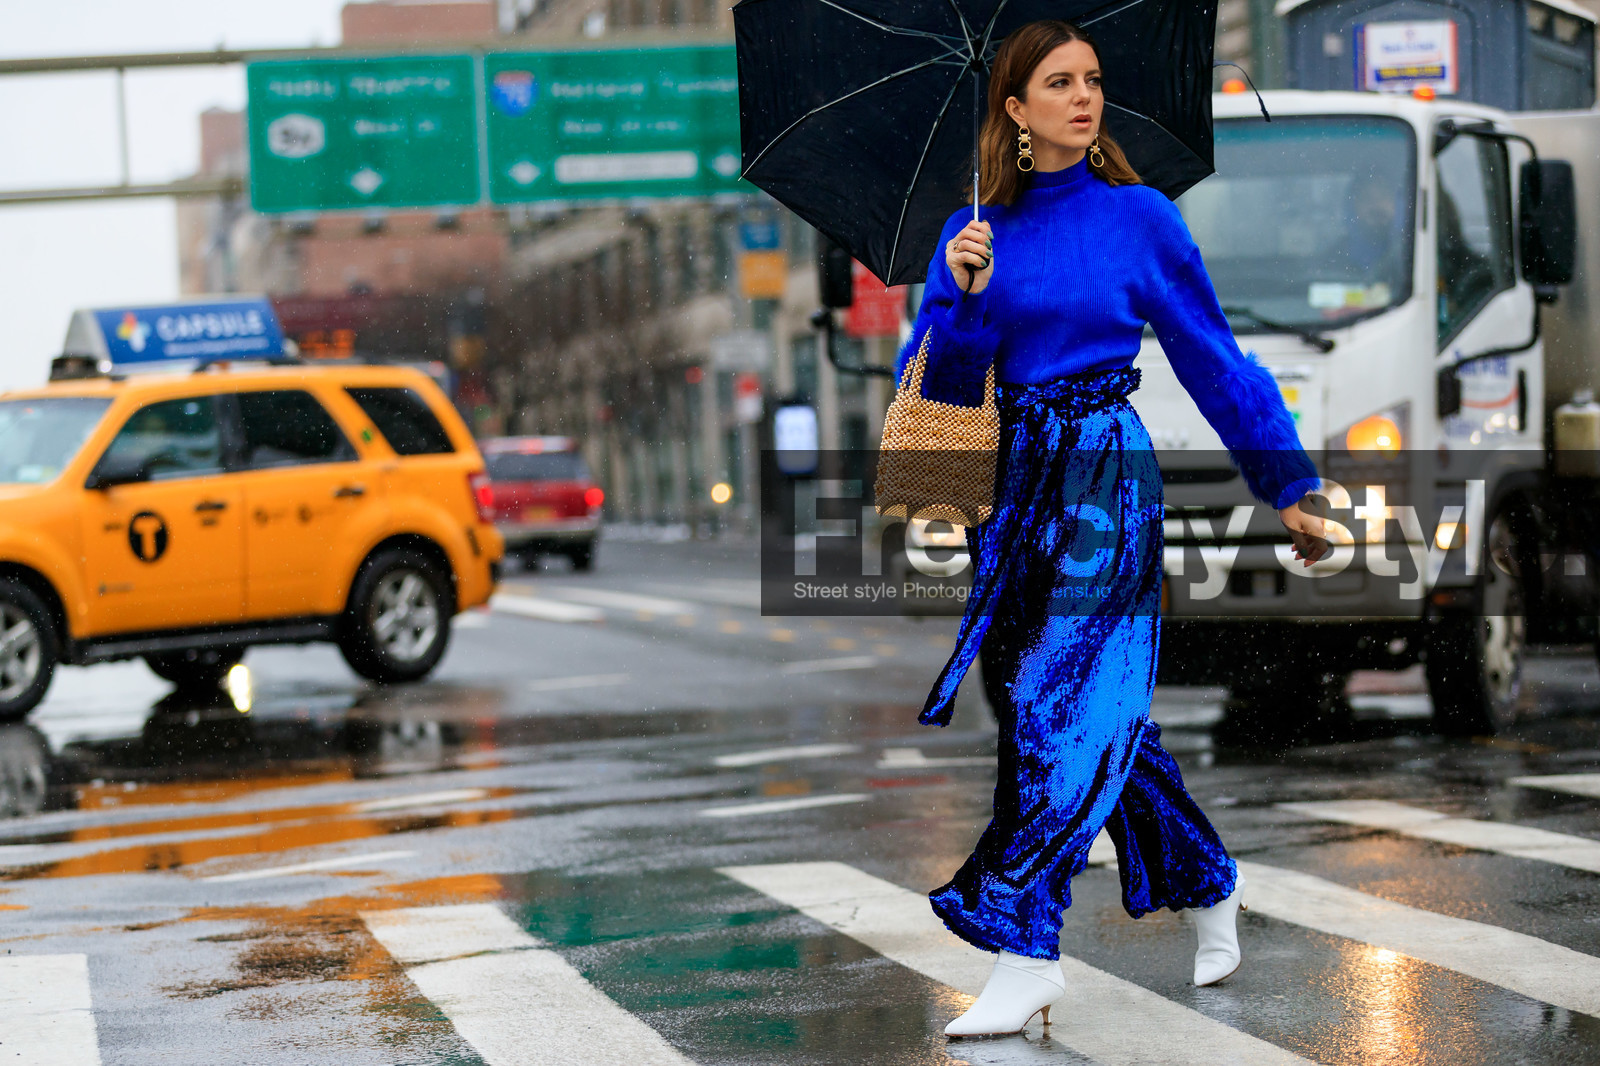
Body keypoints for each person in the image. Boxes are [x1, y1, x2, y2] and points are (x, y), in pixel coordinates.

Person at [893, 19, 1330, 1039]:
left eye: (1091, 80)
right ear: (1015, 109)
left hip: (1104, 476)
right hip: (1010, 492)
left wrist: (1287, 481)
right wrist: (961, 302)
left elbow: (1216, 359)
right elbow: (943, 391)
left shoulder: (1141, 219)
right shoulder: (972, 233)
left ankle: (1023, 946)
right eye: (1058, 83)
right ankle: (1207, 879)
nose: (1084, 96)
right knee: (1064, 710)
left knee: (1058, 704)